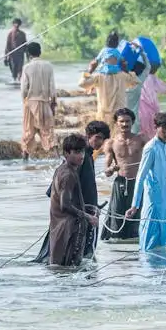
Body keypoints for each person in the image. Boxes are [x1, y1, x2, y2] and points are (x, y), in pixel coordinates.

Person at [32, 120, 109, 264]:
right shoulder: (78, 159)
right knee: (73, 258)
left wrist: (94, 206)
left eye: (102, 139)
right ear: (88, 135)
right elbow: (62, 189)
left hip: (82, 214)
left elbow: (83, 186)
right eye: (97, 137)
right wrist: (84, 213)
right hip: (74, 217)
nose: (99, 142)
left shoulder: (86, 156)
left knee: (73, 258)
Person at [125, 112, 166, 252]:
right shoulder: (150, 148)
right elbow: (140, 177)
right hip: (153, 201)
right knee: (149, 241)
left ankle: (164, 272)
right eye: (164, 128)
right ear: (156, 127)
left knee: (163, 239)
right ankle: (147, 270)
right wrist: (135, 205)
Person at [46, 134, 99, 267]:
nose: (81, 156)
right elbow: (65, 205)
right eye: (76, 152)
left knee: (62, 270)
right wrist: (88, 217)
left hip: (59, 228)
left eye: (82, 151)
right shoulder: (68, 175)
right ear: (66, 153)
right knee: (70, 269)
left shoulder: (63, 169)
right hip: (68, 230)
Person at [102, 108, 147, 241]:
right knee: (117, 216)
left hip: (138, 183)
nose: (124, 124)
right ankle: (117, 250)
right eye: (121, 121)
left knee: (137, 216)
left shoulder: (141, 139)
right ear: (116, 123)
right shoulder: (111, 143)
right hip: (120, 182)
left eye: (127, 121)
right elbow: (107, 171)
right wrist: (110, 169)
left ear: (132, 122)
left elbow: (154, 156)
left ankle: (135, 247)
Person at [80, 47, 140, 126]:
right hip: (119, 117)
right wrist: (126, 69)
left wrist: (90, 70)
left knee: (105, 134)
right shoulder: (122, 75)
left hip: (106, 115)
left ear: (103, 60)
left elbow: (82, 84)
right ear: (117, 61)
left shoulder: (98, 76)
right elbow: (136, 82)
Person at [19, 42, 56, 161]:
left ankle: (25, 160)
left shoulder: (27, 67)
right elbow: (52, 88)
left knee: (28, 133)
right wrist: (53, 103)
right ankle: (56, 159)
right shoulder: (48, 66)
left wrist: (24, 101)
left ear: (28, 54)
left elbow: (24, 88)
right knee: (48, 132)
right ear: (40, 52)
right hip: (45, 103)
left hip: (30, 103)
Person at [135, 64, 166, 137]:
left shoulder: (133, 78)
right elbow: (163, 88)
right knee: (153, 128)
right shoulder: (151, 77)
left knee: (142, 129)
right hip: (153, 108)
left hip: (140, 108)